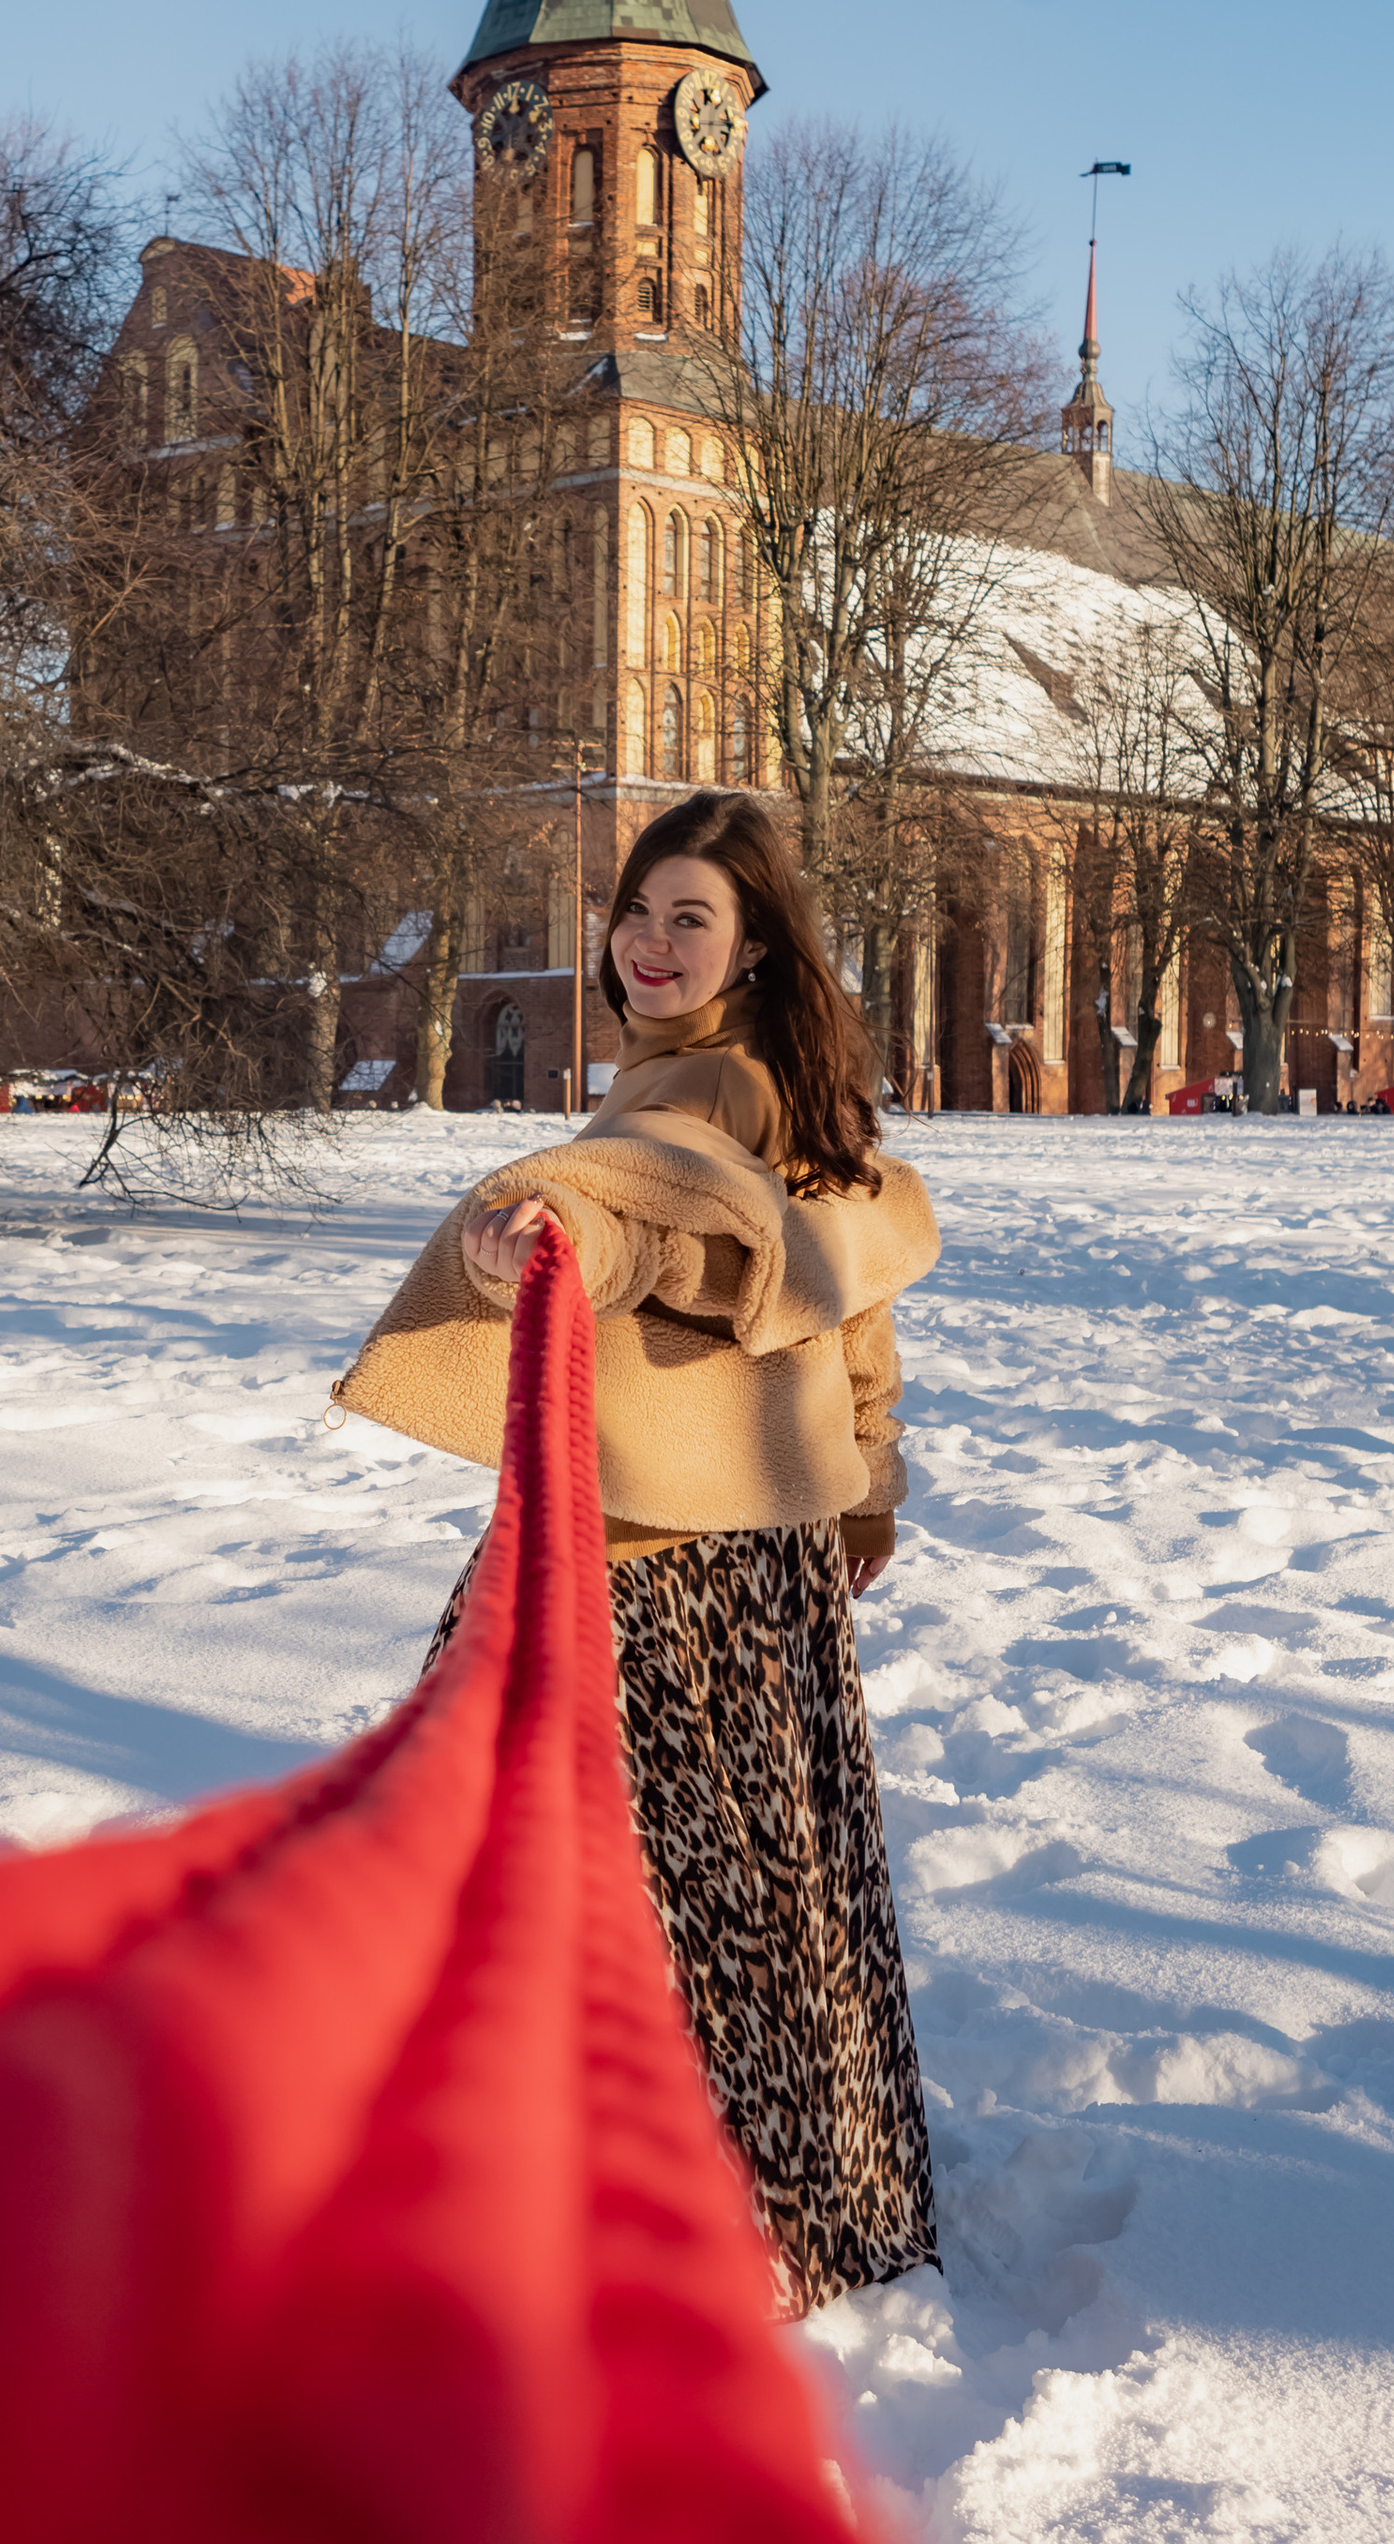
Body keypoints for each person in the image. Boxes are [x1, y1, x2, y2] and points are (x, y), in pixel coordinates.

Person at [334, 792, 944, 2314]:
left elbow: (659, 1232)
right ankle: (807, 2193)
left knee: (549, 1852)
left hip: (647, 1551)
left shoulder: (700, 1096)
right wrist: (865, 1486)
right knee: (759, 1884)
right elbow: (837, 1298)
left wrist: (555, 1242)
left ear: (752, 950)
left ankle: (598, 2208)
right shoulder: (780, 1085)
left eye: (694, 920)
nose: (653, 944)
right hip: (763, 1547)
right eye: (640, 912)